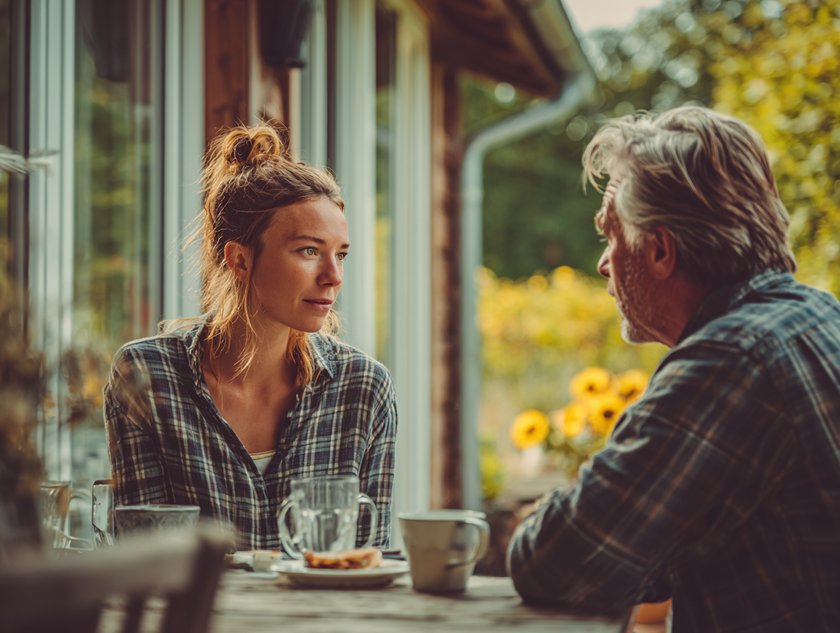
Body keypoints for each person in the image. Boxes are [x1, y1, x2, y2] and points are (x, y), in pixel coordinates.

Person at [507, 106, 840, 632]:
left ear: (660, 250)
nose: (603, 263)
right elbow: (649, 563)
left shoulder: (733, 359)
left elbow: (555, 561)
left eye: (609, 235)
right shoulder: (820, 315)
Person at [104, 123, 397, 551]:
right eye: (309, 251)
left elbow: (372, 559)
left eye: (341, 254)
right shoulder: (146, 376)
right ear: (239, 258)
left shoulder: (364, 387)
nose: (333, 277)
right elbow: (140, 559)